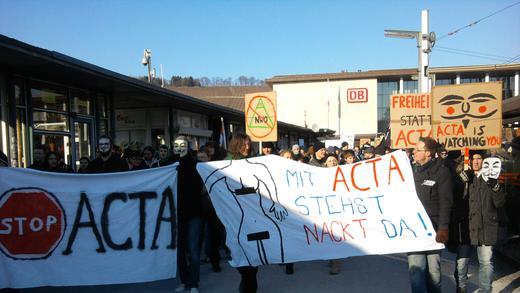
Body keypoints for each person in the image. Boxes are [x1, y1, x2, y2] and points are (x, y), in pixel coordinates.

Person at [408, 137, 453, 293]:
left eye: (417, 149)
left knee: (434, 273)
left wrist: (443, 228)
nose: (413, 152)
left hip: (433, 231)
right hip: (414, 230)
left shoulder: (442, 172)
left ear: (427, 153)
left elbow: (446, 203)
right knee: (416, 271)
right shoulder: (410, 172)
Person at [459, 151, 506, 293]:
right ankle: (461, 287)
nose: (475, 162)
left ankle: (485, 290)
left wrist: (496, 188)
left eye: (479, 159)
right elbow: (457, 200)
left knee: (486, 262)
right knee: (462, 262)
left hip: (486, 226)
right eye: (473, 159)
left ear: (484, 161)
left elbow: (499, 203)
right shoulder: (465, 177)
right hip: (467, 225)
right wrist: (461, 182)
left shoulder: (491, 179)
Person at [175, 136, 204, 293]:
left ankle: (193, 284)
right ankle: (184, 280)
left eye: (182, 145)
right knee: (179, 251)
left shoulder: (195, 165)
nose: (179, 147)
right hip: (177, 214)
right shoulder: (169, 165)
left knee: (193, 250)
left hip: (193, 212)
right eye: (177, 145)